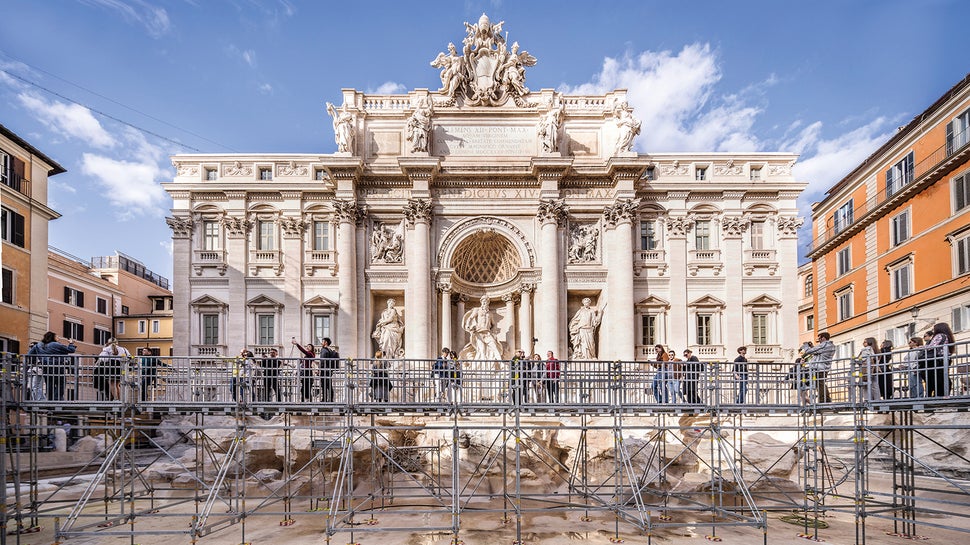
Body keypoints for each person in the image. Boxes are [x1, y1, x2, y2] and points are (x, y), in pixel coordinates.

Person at [26, 333, 76, 402]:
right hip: (58, 367)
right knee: (60, 384)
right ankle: (57, 399)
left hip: (46, 368)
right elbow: (71, 350)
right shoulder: (55, 344)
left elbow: (29, 354)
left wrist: (34, 362)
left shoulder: (38, 345)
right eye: (57, 336)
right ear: (53, 337)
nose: (58, 338)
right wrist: (71, 343)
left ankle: (50, 400)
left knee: (49, 385)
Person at [461, 295, 503, 360]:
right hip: (479, 333)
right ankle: (483, 365)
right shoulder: (477, 310)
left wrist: (493, 332)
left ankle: (501, 363)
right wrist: (468, 326)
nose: (484, 302)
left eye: (485, 301)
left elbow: (493, 324)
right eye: (483, 301)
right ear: (481, 302)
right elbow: (471, 318)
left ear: (488, 303)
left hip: (487, 333)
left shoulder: (490, 314)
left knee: (495, 347)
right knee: (482, 351)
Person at [802, 332, 835, 403]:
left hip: (819, 368)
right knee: (821, 384)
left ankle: (823, 401)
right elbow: (817, 352)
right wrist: (812, 347)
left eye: (819, 338)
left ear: (823, 338)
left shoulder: (824, 345)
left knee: (820, 385)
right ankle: (826, 399)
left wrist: (805, 345)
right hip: (824, 368)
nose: (819, 340)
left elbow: (808, 351)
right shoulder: (830, 345)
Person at [924, 322, 956, 397]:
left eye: (934, 329)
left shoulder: (939, 335)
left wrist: (920, 348)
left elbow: (931, 347)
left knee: (938, 377)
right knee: (943, 376)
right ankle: (944, 393)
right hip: (945, 358)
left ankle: (940, 394)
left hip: (939, 358)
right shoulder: (947, 336)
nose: (933, 331)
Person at [855, 337, 880, 402]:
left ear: (870, 342)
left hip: (871, 369)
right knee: (867, 385)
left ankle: (875, 400)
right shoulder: (865, 350)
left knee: (872, 385)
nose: (863, 343)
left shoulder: (871, 350)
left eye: (865, 342)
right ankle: (869, 399)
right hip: (866, 369)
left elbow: (875, 359)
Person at [318, 337, 339, 403]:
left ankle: (324, 399)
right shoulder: (329, 350)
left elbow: (322, 361)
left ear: (326, 342)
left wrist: (319, 369)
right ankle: (331, 399)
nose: (321, 343)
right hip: (329, 370)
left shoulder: (324, 350)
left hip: (324, 370)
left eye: (322, 341)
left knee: (324, 385)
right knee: (329, 385)